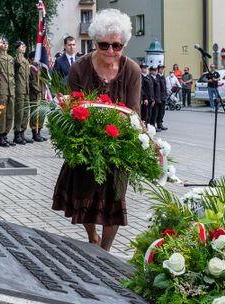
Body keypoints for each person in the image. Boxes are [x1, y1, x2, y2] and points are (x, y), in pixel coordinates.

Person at [53, 9, 141, 252]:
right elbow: (74, 108)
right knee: (86, 196)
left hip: (118, 142)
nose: (111, 51)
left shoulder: (132, 70)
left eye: (117, 45)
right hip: (86, 139)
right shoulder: (80, 68)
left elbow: (133, 111)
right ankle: (92, 235)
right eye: (104, 45)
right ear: (95, 42)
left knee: (114, 200)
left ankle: (105, 251)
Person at [13, 41, 34, 145]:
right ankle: (17, 134)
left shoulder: (26, 61)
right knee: (19, 112)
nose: (24, 47)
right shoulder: (18, 58)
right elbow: (18, 62)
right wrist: (19, 52)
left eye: (25, 46)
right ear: (17, 48)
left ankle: (22, 133)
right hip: (19, 90)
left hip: (26, 90)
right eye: (22, 46)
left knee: (26, 112)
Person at [28, 51, 47, 142]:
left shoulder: (42, 68)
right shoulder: (30, 68)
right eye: (35, 58)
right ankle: (34, 134)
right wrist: (38, 91)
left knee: (41, 115)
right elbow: (31, 82)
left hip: (42, 94)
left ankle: (39, 132)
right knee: (34, 115)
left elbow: (46, 79)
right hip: (35, 95)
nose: (37, 60)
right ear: (31, 59)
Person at [149, 65, 162, 131]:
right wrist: (152, 99)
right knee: (153, 113)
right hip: (153, 99)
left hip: (158, 98)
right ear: (151, 71)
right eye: (154, 70)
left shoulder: (157, 78)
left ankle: (154, 125)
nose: (156, 71)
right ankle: (152, 126)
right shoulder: (150, 78)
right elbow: (151, 90)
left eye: (156, 70)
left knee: (156, 113)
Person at [156, 64, 168, 131]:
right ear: (158, 69)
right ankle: (157, 124)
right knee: (157, 112)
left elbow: (164, 87)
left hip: (163, 96)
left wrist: (166, 94)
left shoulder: (163, 76)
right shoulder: (157, 77)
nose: (162, 70)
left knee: (162, 111)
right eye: (161, 68)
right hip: (159, 97)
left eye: (163, 68)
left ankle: (160, 124)